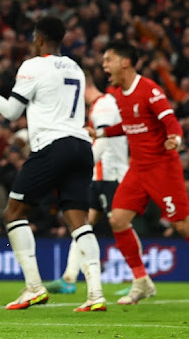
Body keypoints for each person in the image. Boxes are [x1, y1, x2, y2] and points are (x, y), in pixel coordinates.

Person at [0, 16, 105, 312]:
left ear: (39, 39)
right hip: (81, 145)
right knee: (78, 221)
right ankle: (96, 294)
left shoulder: (32, 66)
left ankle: (34, 288)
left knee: (13, 213)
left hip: (52, 145)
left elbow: (10, 110)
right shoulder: (75, 68)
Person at [90, 41, 189, 305]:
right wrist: (103, 132)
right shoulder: (119, 93)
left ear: (125, 62)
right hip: (138, 169)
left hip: (163, 168)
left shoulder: (149, 89)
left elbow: (171, 122)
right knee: (117, 220)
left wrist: (174, 138)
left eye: (109, 60)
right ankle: (141, 280)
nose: (105, 65)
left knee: (183, 226)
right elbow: (130, 125)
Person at [46, 69, 130, 294]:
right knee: (82, 224)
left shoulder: (103, 106)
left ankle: (137, 276)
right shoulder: (102, 104)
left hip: (110, 175)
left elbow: (101, 143)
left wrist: (83, 167)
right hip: (100, 176)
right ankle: (69, 278)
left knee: (122, 225)